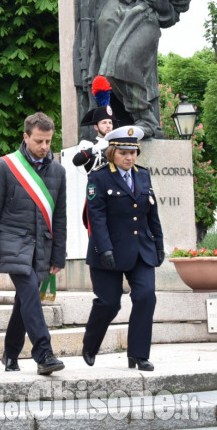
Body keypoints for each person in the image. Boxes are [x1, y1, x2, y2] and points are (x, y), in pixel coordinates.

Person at [70, 0, 209, 139]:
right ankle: (110, 122)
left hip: (145, 16)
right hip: (114, 9)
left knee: (123, 63)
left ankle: (145, 118)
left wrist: (164, 8)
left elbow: (174, 15)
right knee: (105, 71)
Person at [0, 112, 67, 375]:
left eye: (49, 142)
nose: (44, 147)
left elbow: (60, 217)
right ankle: (44, 353)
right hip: (12, 244)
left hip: (43, 246)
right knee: (30, 293)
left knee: (24, 302)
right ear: (25, 136)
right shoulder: (5, 167)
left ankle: (10, 353)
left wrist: (58, 256)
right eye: (39, 141)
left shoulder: (58, 171)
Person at [82, 126, 164, 371]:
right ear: (112, 152)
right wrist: (104, 249)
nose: (129, 157)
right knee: (109, 303)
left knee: (146, 295)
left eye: (133, 152)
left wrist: (159, 245)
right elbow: (96, 217)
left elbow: (152, 214)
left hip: (141, 249)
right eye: (123, 153)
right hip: (109, 250)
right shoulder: (98, 177)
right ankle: (90, 344)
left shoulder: (143, 175)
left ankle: (138, 355)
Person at [72, 75, 115, 173]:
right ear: (96, 127)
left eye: (110, 123)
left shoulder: (117, 144)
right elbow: (76, 161)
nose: (108, 125)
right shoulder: (89, 144)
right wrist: (95, 149)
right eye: (104, 123)